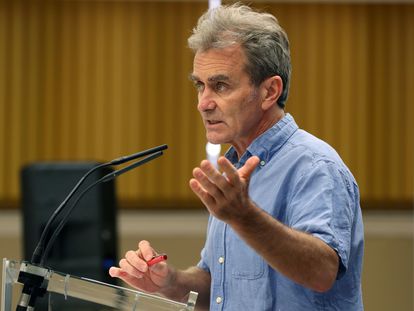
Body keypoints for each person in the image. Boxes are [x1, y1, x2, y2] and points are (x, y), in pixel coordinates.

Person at [109, 3, 364, 310]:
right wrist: (170, 282)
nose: (204, 103)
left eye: (220, 85)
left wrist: (244, 217)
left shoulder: (314, 166)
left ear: (269, 91)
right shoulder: (234, 172)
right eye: (199, 86)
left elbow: (322, 271)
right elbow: (218, 286)